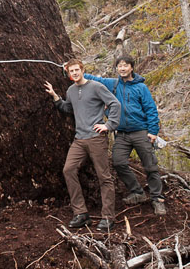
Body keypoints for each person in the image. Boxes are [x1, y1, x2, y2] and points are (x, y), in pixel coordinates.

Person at [44, 58, 121, 231]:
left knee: (104, 176)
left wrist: (108, 125)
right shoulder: (71, 90)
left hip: (96, 138)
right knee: (68, 170)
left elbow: (115, 104)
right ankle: (81, 214)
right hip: (79, 139)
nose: (75, 73)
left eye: (77, 70)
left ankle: (108, 217)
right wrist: (55, 96)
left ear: (82, 70)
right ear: (69, 74)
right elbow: (68, 109)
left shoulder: (96, 86)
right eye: (71, 71)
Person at [84, 54, 166, 215]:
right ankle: (137, 192)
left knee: (150, 166)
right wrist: (73, 72)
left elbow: (150, 109)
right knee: (118, 162)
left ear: (132, 67)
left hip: (141, 132)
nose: (122, 68)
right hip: (121, 134)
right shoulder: (113, 84)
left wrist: (153, 132)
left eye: (125, 65)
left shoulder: (141, 87)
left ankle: (157, 199)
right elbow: (94, 79)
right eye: (119, 66)